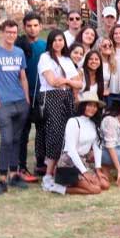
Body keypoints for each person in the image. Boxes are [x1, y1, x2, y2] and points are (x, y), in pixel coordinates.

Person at [0, 20, 30, 195]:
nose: (11, 35)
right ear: (2, 33)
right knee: (6, 140)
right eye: (8, 32)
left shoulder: (19, 53)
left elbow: (23, 77)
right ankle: (2, 180)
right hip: (3, 104)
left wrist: (26, 99)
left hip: (20, 102)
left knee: (16, 140)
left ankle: (14, 175)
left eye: (14, 32)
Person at [36, 29, 82, 190]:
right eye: (55, 40)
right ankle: (47, 175)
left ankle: (59, 172)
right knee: (54, 134)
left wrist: (65, 81)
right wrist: (68, 81)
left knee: (67, 135)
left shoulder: (67, 60)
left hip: (66, 98)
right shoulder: (45, 58)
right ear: (50, 42)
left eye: (60, 40)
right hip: (51, 98)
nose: (58, 43)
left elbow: (79, 84)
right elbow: (52, 81)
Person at [48, 92, 110, 196]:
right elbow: (71, 151)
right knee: (96, 190)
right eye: (89, 105)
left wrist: (98, 169)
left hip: (83, 161)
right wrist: (85, 173)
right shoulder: (73, 122)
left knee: (105, 185)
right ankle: (59, 189)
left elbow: (97, 147)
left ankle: (75, 184)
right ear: (83, 106)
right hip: (69, 162)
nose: (92, 108)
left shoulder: (93, 123)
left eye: (95, 106)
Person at [17, 11, 46, 182]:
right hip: (23, 95)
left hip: (41, 94)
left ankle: (40, 163)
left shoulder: (45, 45)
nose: (32, 29)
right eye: (29, 26)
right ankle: (21, 166)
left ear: (40, 27)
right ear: (24, 27)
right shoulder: (19, 46)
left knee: (42, 130)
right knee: (23, 131)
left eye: (36, 25)